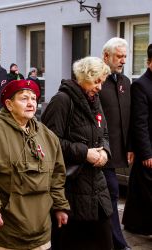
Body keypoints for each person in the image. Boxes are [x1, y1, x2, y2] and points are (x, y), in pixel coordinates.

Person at [0, 79, 70, 250]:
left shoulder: (48, 136)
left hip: (40, 230)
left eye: (34, 99)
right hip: (3, 229)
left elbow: (57, 176)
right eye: (24, 99)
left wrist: (60, 206)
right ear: (9, 104)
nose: (31, 103)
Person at [41, 56, 113, 250]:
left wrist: (105, 152)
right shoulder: (62, 101)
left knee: (104, 241)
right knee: (71, 242)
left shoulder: (94, 99)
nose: (100, 87)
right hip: (70, 188)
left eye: (102, 82)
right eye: (96, 81)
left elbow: (104, 132)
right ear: (83, 77)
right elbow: (49, 142)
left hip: (96, 188)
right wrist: (84, 153)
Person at [99, 37, 134, 250]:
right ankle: (118, 243)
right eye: (119, 56)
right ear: (106, 56)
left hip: (119, 151)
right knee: (111, 192)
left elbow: (128, 117)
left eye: (124, 57)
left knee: (108, 195)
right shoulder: (96, 80)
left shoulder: (125, 82)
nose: (122, 61)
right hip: (101, 151)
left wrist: (130, 146)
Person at [122, 43, 152, 236]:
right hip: (149, 148)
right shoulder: (141, 85)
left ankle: (134, 225)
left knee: (140, 191)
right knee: (148, 192)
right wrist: (146, 152)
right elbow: (139, 122)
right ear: (150, 62)